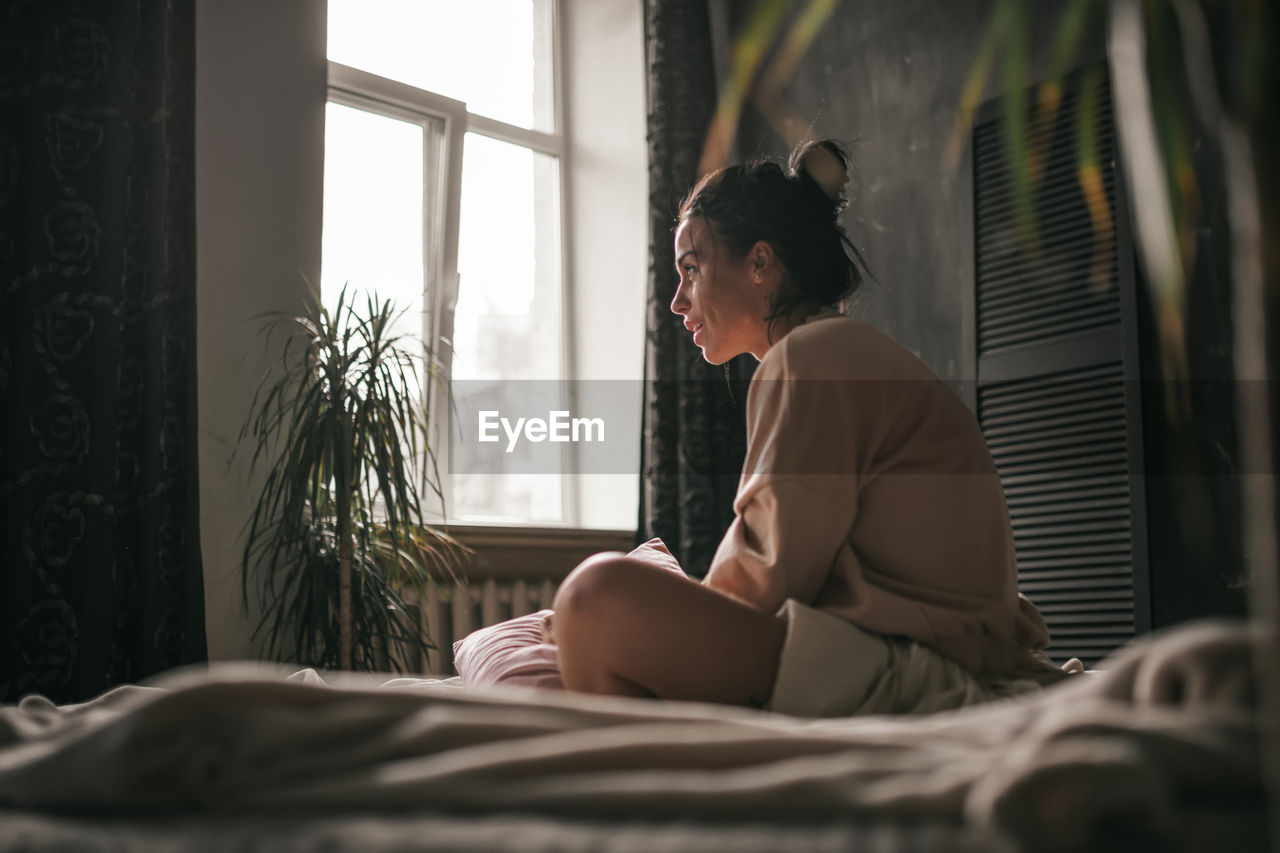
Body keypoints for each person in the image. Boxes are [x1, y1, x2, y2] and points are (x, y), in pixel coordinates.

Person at [549, 139, 1066, 716]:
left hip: (918, 670)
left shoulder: (809, 357)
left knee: (593, 600)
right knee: (598, 605)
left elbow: (769, 582)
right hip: (927, 653)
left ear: (761, 264)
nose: (676, 301)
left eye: (691, 270)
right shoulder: (836, 349)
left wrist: (654, 616)